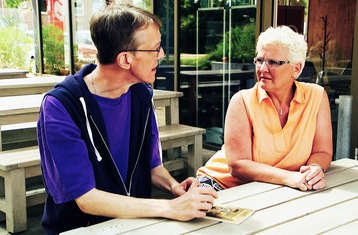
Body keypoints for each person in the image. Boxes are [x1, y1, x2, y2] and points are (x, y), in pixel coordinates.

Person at [37, 4, 217, 234]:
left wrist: (175, 188)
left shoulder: (141, 94)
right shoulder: (61, 106)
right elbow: (86, 198)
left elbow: (153, 167)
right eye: (155, 49)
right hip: (81, 229)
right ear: (124, 59)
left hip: (137, 224)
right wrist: (170, 207)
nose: (161, 55)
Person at [197, 25, 333, 192]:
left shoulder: (316, 97)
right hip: (223, 186)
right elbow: (238, 165)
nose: (262, 69)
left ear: (296, 69)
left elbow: (322, 151)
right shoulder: (242, 101)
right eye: (259, 60)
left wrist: (313, 171)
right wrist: (289, 177)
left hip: (276, 189)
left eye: (273, 62)